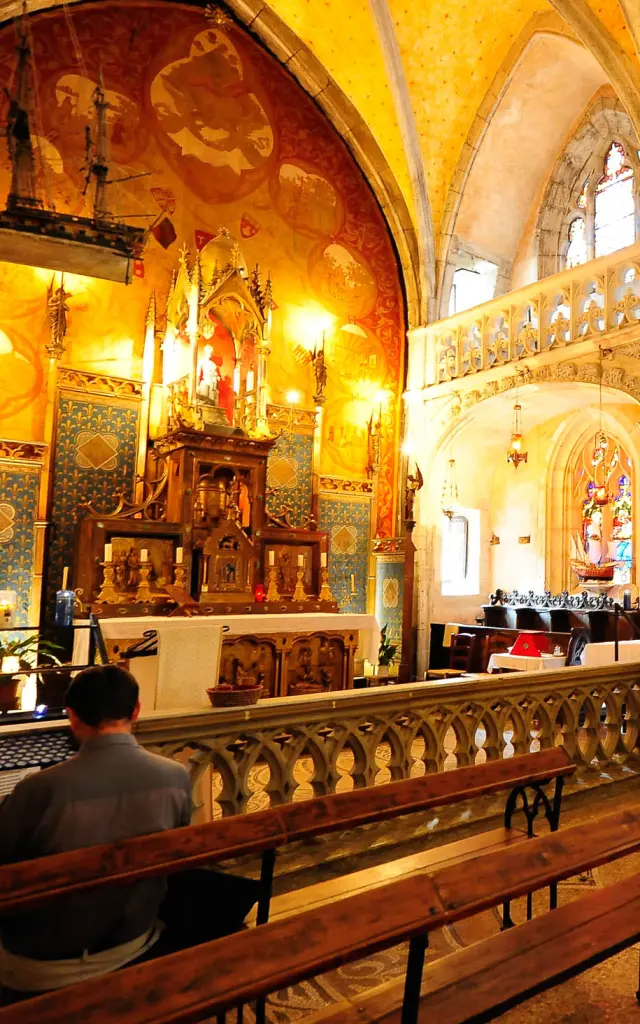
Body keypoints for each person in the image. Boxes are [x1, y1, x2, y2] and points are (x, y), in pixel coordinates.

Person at [0, 664, 191, 997]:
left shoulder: (40, 789)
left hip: (38, 964)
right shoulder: (176, 777)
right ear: (136, 710)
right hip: (132, 939)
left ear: (72, 715)